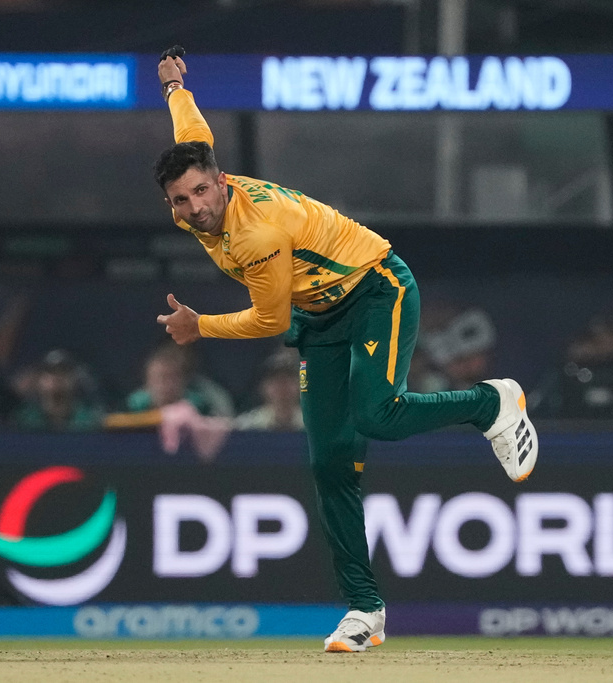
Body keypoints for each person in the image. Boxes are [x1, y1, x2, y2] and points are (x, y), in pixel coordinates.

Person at [151, 47, 537, 653]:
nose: (197, 207)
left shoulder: (257, 234)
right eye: (182, 200)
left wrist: (200, 328)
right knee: (329, 461)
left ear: (223, 182)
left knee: (374, 414)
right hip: (322, 315)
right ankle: (365, 610)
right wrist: (176, 87)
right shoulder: (197, 197)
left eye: (203, 192)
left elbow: (268, 320)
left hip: (375, 287)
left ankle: (491, 405)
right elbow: (193, 137)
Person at [235, 347, 305, 431]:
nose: (282, 386)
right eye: (276, 381)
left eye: (288, 380)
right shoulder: (247, 426)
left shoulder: (313, 426)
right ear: (263, 387)